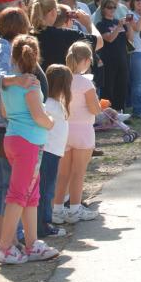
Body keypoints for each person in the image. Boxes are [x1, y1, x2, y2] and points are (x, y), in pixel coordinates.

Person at [0, 7, 43, 257]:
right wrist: (17, 80)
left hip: (2, 125)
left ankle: (2, 239)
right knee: (6, 185)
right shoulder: (3, 50)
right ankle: (1, 241)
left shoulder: (2, 48)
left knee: (7, 185)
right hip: (0, 126)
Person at [0, 35, 58, 265]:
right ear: (36, 56)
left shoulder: (9, 85)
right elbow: (39, 116)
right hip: (29, 143)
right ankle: (4, 247)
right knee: (19, 195)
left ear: (13, 57)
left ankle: (32, 244)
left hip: (14, 139)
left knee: (30, 194)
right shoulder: (31, 84)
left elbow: (4, 112)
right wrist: (51, 121)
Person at [52, 42, 100, 224]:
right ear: (86, 60)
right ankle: (74, 209)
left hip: (64, 130)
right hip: (83, 131)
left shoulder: (62, 80)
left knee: (63, 173)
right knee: (78, 173)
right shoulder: (85, 83)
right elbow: (94, 109)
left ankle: (57, 209)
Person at [39, 64, 71, 239]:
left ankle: (44, 221)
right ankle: (43, 225)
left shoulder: (56, 103)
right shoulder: (50, 105)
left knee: (48, 187)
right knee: (46, 189)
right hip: (48, 152)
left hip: (54, 151)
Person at [30, 0, 101, 70]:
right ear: (53, 12)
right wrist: (89, 23)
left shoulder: (26, 34)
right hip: (61, 77)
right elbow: (99, 42)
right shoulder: (66, 35)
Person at [95, 0, 131, 111]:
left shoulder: (118, 22)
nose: (112, 10)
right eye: (109, 7)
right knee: (108, 88)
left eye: (114, 7)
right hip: (109, 60)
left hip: (122, 58)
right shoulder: (101, 24)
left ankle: (120, 111)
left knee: (122, 86)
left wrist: (128, 25)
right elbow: (109, 38)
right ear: (103, 9)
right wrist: (119, 27)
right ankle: (106, 112)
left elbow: (130, 38)